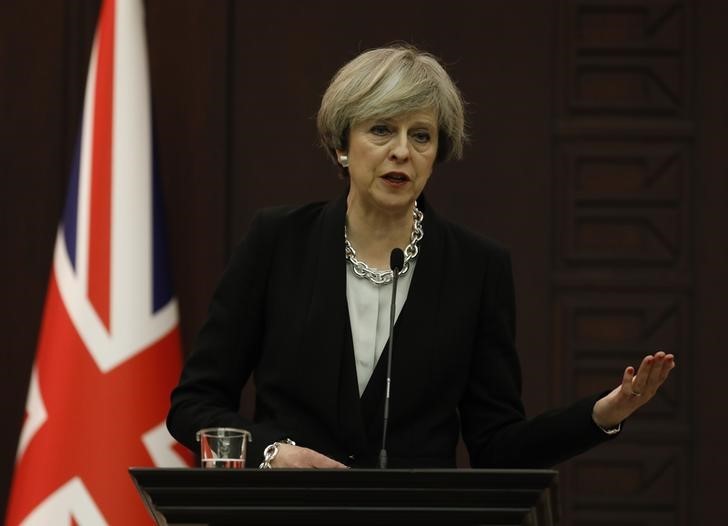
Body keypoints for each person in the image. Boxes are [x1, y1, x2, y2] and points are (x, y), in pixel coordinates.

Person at [166, 45, 675, 469]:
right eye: (381, 129)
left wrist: (602, 415)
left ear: (437, 152)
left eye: (421, 135)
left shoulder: (476, 268)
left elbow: (497, 444)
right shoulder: (277, 242)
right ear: (343, 146)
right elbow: (194, 405)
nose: (402, 151)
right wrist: (274, 452)